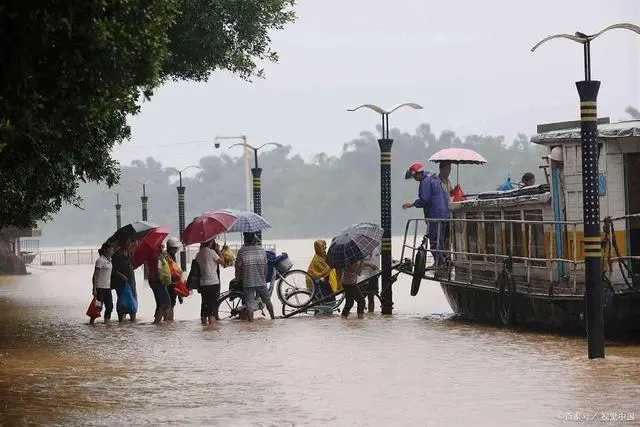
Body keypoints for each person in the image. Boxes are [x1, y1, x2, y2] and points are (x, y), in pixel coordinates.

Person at [403, 161, 452, 270]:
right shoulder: (434, 178)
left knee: (434, 241)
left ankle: (439, 264)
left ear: (418, 174)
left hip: (435, 216)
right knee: (441, 240)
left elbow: (425, 199)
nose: (415, 179)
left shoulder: (425, 181)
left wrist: (412, 204)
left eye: (415, 177)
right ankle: (444, 262)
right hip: (445, 215)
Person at [235, 232, 274, 321]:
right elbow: (265, 267)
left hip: (248, 281)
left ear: (245, 240)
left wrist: (238, 278)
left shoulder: (242, 251)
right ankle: (273, 318)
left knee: (249, 304)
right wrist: (264, 277)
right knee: (267, 301)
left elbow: (238, 267)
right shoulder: (262, 250)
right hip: (261, 280)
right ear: (254, 239)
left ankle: (251, 324)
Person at [196, 238, 222, 325]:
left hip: (202, 283)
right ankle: (212, 332)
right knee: (212, 308)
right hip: (213, 283)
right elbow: (223, 262)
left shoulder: (198, 254)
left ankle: (204, 328)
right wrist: (218, 250)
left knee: (204, 304)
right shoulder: (212, 252)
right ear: (210, 242)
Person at [111, 240, 137, 322]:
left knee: (133, 300)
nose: (132, 246)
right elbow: (113, 270)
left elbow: (131, 266)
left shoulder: (129, 254)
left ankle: (132, 321)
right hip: (120, 282)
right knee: (122, 301)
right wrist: (121, 275)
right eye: (131, 244)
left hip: (131, 281)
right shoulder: (117, 255)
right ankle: (121, 321)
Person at [147, 242, 171, 324]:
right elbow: (159, 268)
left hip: (153, 281)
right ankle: (160, 323)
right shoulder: (157, 256)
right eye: (161, 246)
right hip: (158, 281)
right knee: (166, 304)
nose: (163, 248)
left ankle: (157, 325)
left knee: (160, 304)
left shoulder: (152, 254)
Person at [91, 242, 114, 324]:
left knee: (110, 307)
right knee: (98, 307)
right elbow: (95, 275)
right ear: (106, 250)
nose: (113, 251)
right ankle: (91, 322)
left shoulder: (109, 260)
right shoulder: (100, 260)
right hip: (100, 288)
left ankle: (106, 323)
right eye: (111, 249)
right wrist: (94, 289)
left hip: (107, 288)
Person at [164, 237, 183, 321]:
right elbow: (174, 273)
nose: (176, 251)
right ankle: (169, 323)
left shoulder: (170, 256)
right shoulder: (167, 257)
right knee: (170, 305)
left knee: (169, 305)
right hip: (169, 284)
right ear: (171, 248)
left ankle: (168, 324)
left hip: (171, 283)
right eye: (175, 249)